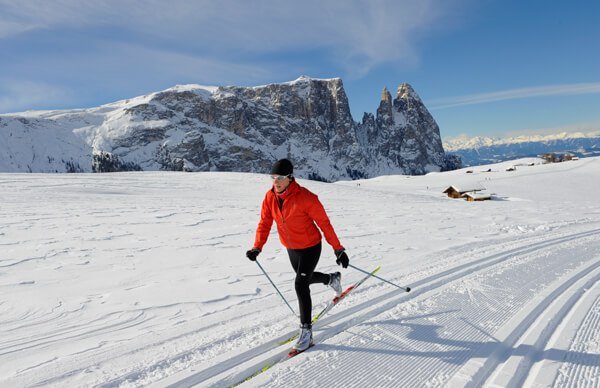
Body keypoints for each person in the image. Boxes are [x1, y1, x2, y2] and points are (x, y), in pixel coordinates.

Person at [246, 158, 350, 352]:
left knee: (300, 284)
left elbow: (325, 224)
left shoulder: (306, 198)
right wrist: (257, 247)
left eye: (280, 177)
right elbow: (265, 223)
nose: (275, 181)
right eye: (273, 177)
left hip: (311, 246)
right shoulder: (269, 198)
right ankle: (331, 279)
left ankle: (306, 332)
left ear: (290, 178)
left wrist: (338, 249)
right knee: (304, 278)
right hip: (291, 247)